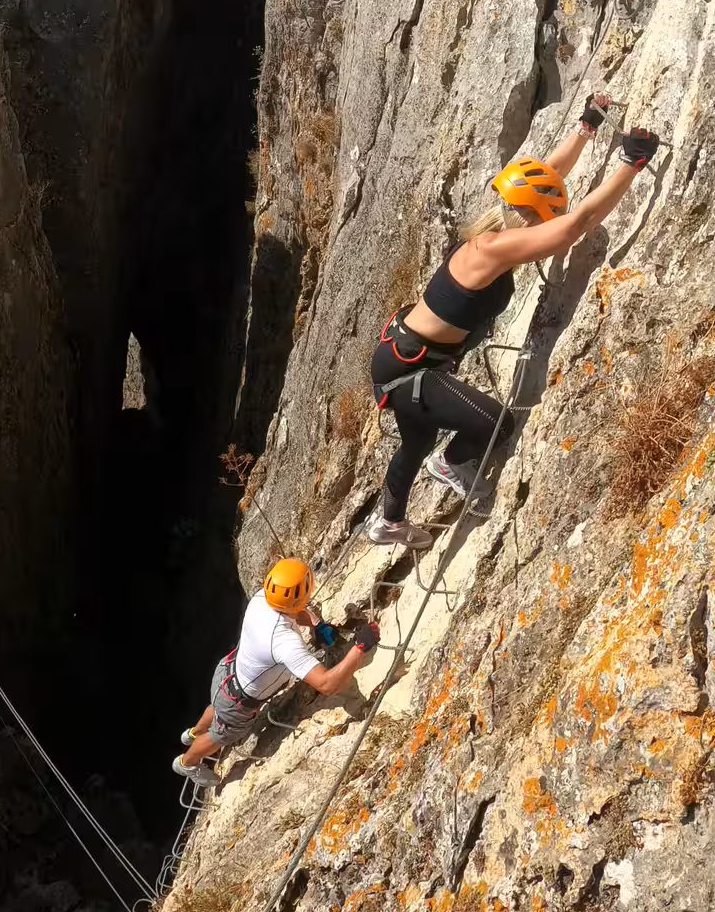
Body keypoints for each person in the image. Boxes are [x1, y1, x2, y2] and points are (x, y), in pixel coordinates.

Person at [368, 101, 661, 549]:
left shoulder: (491, 229)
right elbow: (572, 226)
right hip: (412, 369)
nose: (544, 220)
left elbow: (543, 178)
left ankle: (389, 523)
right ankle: (452, 465)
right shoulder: (490, 249)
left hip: (404, 357)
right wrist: (630, 162)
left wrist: (587, 128)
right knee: (497, 423)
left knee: (415, 440)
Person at [172, 557, 380, 787]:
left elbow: (293, 609)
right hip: (239, 701)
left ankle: (192, 733)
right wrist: (360, 648)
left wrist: (316, 624)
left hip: (227, 674)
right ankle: (187, 762)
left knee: (217, 707)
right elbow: (327, 684)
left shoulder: (263, 597)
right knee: (220, 736)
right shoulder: (283, 642)